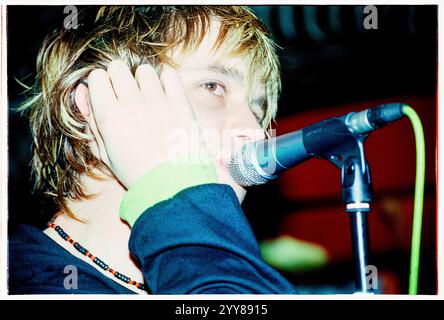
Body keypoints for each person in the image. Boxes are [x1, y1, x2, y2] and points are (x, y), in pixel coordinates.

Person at [9, 5, 297, 294]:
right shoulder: (25, 282)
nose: (256, 132)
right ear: (94, 101)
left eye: (257, 112)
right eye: (212, 86)